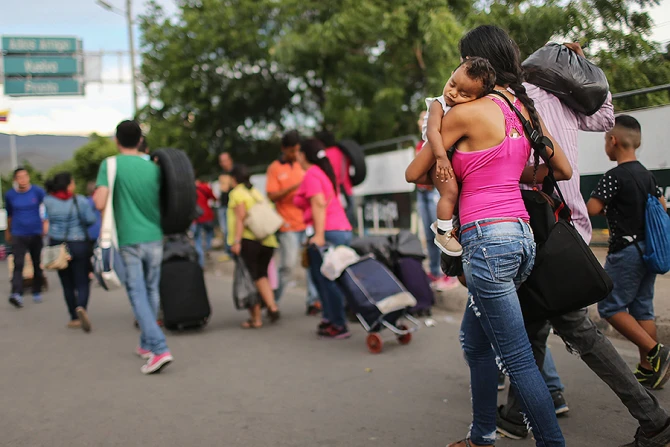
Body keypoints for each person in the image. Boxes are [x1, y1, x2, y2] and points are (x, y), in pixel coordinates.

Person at [427, 27, 670, 447]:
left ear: (480, 64)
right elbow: (604, 117)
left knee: (573, 330)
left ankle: (652, 419)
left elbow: (447, 171)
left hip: (526, 228)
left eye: (467, 61)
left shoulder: (490, 107)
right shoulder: (550, 95)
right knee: (535, 326)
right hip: (562, 226)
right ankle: (515, 417)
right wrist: (582, 67)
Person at [406, 25, 574, 447]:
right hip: (522, 240)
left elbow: (414, 174)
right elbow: (562, 170)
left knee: (516, 358)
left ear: (477, 67)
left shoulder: (462, 114)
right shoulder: (522, 109)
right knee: (475, 340)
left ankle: (552, 443)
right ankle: (481, 434)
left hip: (487, 242)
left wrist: (440, 113)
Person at [587, 115, 669, 390]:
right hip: (649, 250)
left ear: (613, 141)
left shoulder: (614, 177)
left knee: (610, 306)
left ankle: (657, 351)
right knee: (642, 308)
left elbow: (592, 209)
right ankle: (649, 369)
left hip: (626, 251)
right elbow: (661, 206)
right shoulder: (647, 175)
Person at [93, 120, 173, 375]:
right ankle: (145, 343)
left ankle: (160, 348)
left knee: (137, 293)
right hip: (155, 235)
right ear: (140, 140)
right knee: (151, 289)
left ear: (117, 140)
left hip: (129, 239)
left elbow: (99, 202)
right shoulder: (154, 166)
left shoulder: (111, 164)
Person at [420, 57, 496, 257]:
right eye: (452, 84)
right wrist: (440, 157)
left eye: (464, 94)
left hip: (448, 156)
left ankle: (445, 222)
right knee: (450, 192)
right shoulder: (439, 104)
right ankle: (443, 232)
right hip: (436, 156)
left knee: (460, 193)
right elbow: (433, 132)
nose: (453, 93)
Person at [294, 138, 354, 340]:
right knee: (324, 278)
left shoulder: (311, 174)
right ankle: (330, 319)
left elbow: (318, 203)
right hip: (338, 229)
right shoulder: (322, 173)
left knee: (328, 279)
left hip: (328, 231)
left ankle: (338, 323)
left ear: (303, 155)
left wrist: (318, 235)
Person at [266, 130, 320, 314]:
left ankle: (313, 301)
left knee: (312, 263)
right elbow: (271, 195)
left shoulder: (302, 164)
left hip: (306, 223)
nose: (295, 155)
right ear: (283, 149)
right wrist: (294, 188)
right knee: (288, 266)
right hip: (287, 224)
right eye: (291, 151)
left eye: (297, 150)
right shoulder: (275, 168)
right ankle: (272, 302)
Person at [227, 164, 280, 328]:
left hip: (250, 240)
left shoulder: (237, 193)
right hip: (268, 240)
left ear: (233, 178)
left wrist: (236, 241)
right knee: (261, 275)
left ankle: (256, 318)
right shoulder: (255, 192)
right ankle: (272, 306)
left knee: (249, 278)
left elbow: (241, 217)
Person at [43, 172, 97, 331]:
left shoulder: (48, 201)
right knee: (82, 280)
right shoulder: (80, 200)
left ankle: (73, 318)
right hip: (78, 243)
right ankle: (81, 307)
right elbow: (91, 220)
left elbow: (46, 220)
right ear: (68, 185)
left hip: (57, 244)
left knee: (66, 283)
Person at [5, 167, 46, 308]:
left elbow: (45, 208)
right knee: (18, 263)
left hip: (35, 232)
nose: (23, 179)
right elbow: (9, 214)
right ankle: (16, 292)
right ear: (15, 180)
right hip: (18, 233)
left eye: (25, 176)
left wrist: (45, 224)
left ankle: (37, 289)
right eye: (19, 177)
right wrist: (8, 231)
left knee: (36, 262)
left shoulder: (37, 192)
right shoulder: (10, 195)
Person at [316, 131, 356, 227]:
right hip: (347, 189)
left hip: (332, 191)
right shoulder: (344, 153)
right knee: (349, 217)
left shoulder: (324, 155)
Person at [193, 176, 216, 268]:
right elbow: (214, 197)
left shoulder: (191, 189)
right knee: (210, 232)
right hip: (208, 215)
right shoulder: (205, 187)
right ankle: (208, 247)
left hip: (197, 217)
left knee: (197, 239)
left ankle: (201, 262)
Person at [217, 152, 234, 254]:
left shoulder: (235, 172)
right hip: (223, 205)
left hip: (233, 206)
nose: (224, 163)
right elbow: (223, 189)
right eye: (221, 161)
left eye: (225, 160)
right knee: (225, 230)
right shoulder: (222, 174)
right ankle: (230, 252)